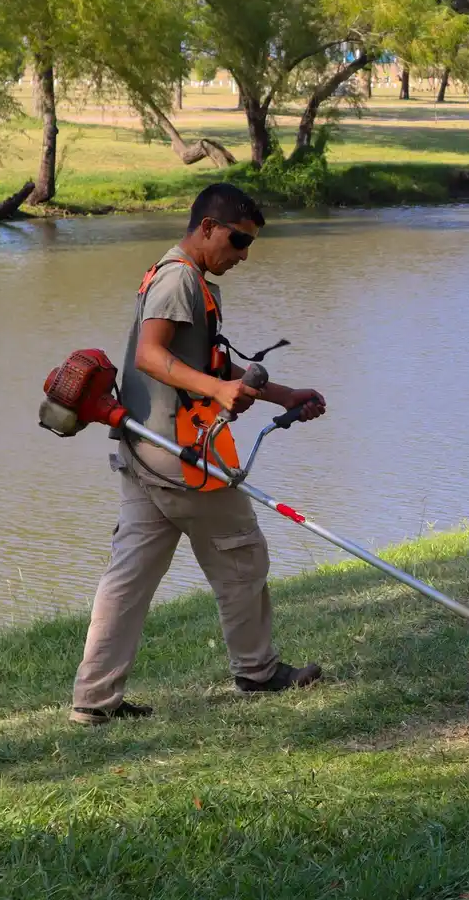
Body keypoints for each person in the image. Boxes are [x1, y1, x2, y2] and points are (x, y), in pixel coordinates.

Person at [69, 183, 327, 726]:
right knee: (242, 554)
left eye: (250, 244)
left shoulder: (187, 278)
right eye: (238, 240)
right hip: (178, 457)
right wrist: (216, 391)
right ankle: (258, 672)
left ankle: (93, 701)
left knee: (128, 577)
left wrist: (283, 394)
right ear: (207, 227)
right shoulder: (179, 279)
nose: (243, 255)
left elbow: (206, 364)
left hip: (143, 452)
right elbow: (150, 355)